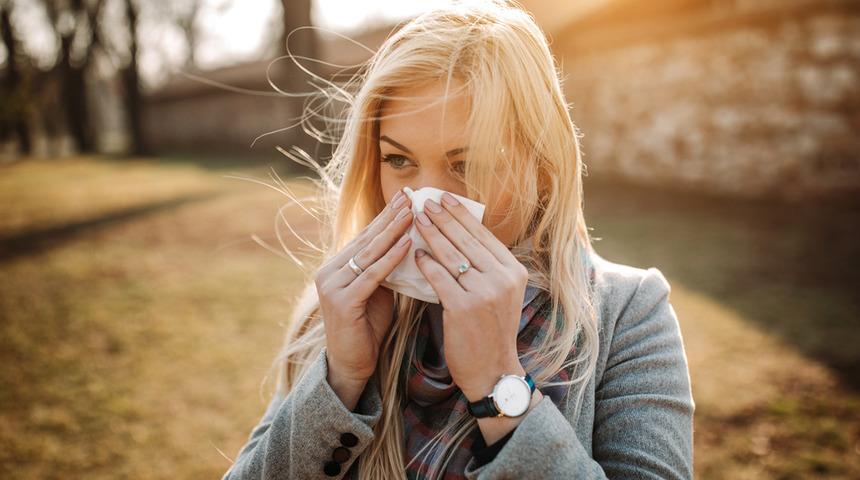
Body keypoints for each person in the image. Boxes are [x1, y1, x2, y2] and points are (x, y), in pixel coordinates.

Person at [222, 1, 694, 478]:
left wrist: (498, 383)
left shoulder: (628, 314)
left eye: (468, 165)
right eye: (399, 161)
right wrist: (341, 380)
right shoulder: (340, 310)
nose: (426, 204)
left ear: (542, 169)